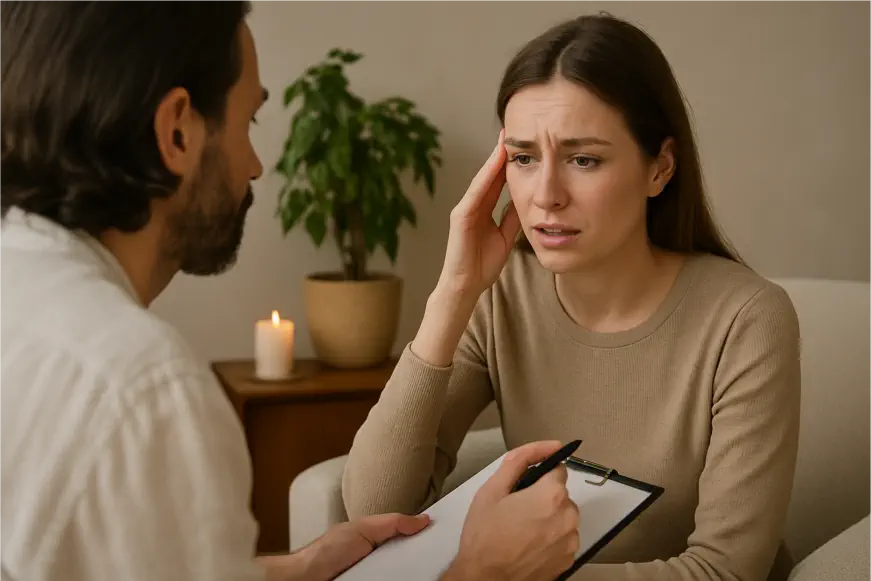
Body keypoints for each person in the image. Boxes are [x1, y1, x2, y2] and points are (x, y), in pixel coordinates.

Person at [0, 1, 581, 580]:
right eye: (248, 122)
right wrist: (479, 572)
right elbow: (378, 495)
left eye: (583, 159)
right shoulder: (144, 387)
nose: (255, 166)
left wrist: (296, 570)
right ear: (176, 130)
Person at [343, 12, 802, 581]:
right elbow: (373, 512)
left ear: (659, 168)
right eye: (524, 158)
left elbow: (726, 572)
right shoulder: (501, 293)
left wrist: (504, 574)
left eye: (584, 159)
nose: (546, 196)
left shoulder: (746, 319)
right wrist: (454, 292)